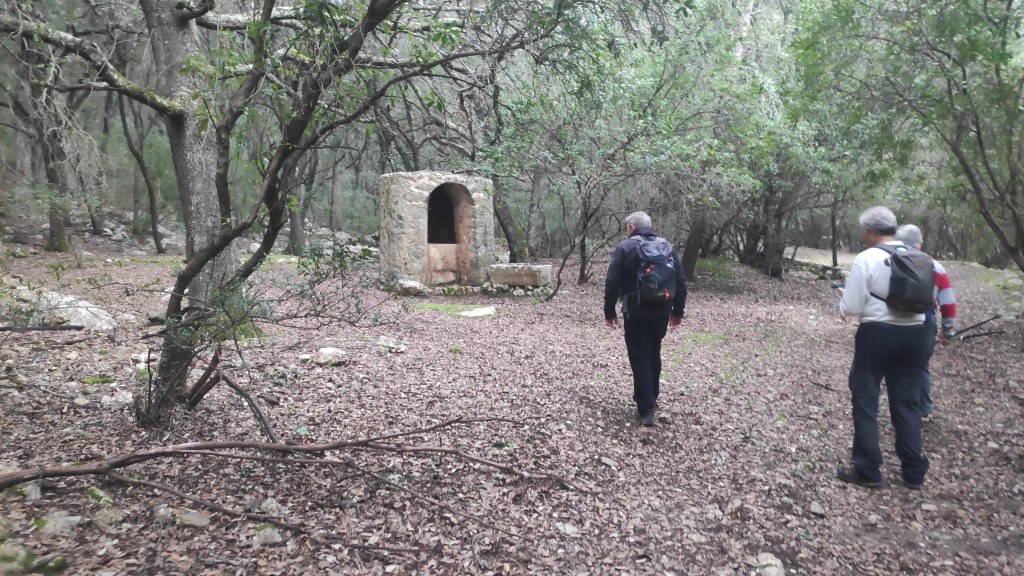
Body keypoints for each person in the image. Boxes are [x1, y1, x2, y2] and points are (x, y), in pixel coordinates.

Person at [836, 206, 930, 489]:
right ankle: (913, 472)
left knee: (865, 400)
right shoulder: (920, 257)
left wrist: (843, 299)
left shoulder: (868, 258)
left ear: (870, 231)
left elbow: (852, 306)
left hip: (877, 333)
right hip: (915, 334)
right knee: (907, 402)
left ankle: (868, 469)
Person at [603, 211, 687, 427]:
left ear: (631, 227)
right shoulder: (666, 246)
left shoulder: (626, 247)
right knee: (653, 351)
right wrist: (677, 311)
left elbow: (613, 281)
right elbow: (679, 279)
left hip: (636, 311)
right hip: (662, 311)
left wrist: (609, 310)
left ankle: (645, 408)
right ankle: (652, 397)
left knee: (640, 356)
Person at [895, 224, 957, 420]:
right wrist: (947, 331)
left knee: (898, 368)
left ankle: (900, 415)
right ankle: (923, 409)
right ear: (920, 243)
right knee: (920, 366)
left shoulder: (891, 262)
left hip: (895, 322)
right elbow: (948, 302)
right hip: (925, 324)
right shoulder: (936, 266)